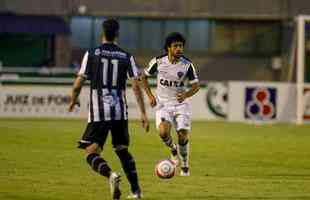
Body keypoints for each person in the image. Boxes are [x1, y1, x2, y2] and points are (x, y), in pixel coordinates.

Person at [68, 18, 149, 200]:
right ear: (117, 34)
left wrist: (74, 99)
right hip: (120, 111)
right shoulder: (126, 56)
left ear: (102, 33)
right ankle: (136, 192)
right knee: (122, 149)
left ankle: (111, 175)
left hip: (99, 112)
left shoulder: (92, 53)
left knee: (91, 152)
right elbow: (136, 85)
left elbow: (78, 83)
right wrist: (143, 113)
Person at [141, 32, 200, 176]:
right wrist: (150, 96)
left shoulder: (187, 65)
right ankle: (173, 150)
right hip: (163, 105)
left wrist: (186, 94)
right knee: (163, 132)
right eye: (176, 46)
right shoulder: (158, 62)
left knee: (182, 135)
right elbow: (143, 77)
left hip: (181, 105)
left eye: (181, 46)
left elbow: (196, 86)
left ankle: (185, 165)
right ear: (168, 47)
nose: (179, 49)